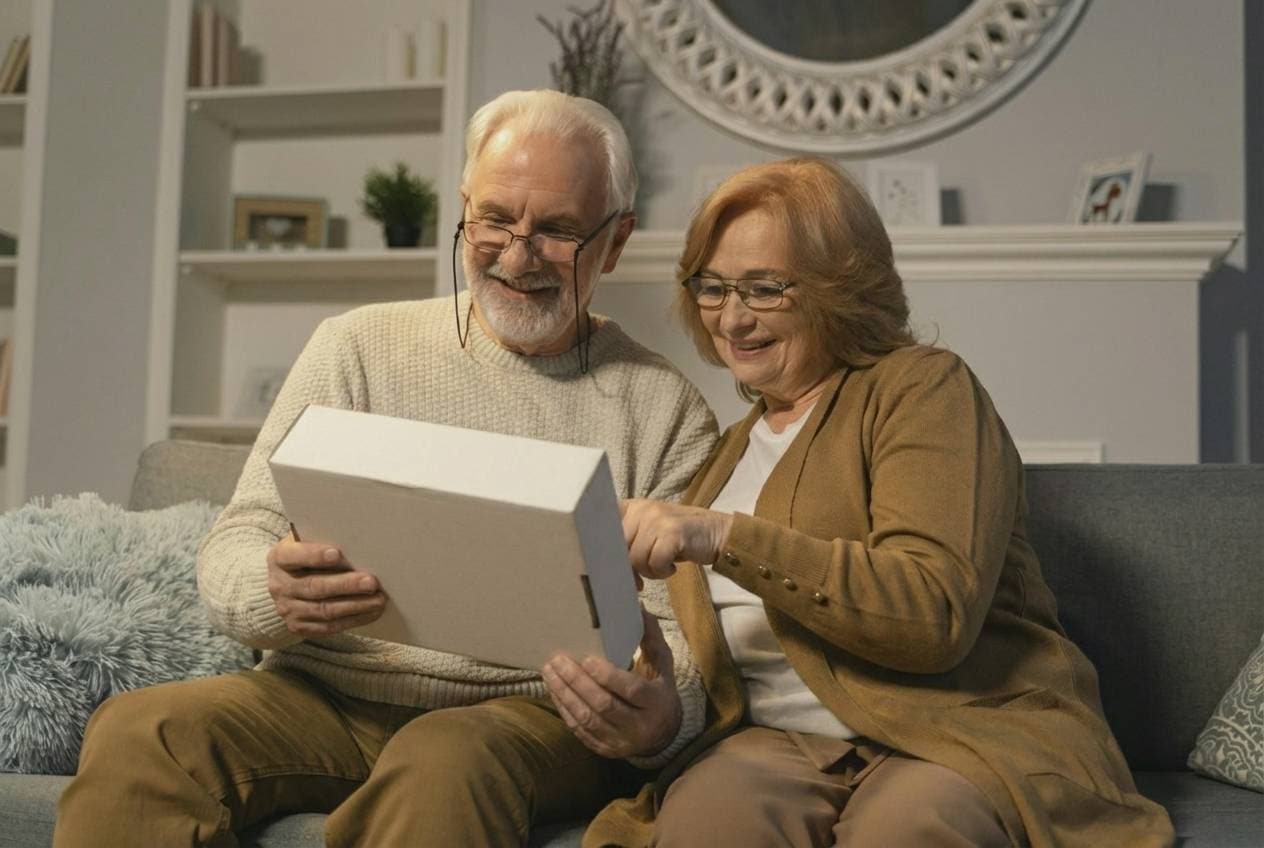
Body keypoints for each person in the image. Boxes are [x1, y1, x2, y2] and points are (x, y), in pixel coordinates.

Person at [53, 89, 718, 848]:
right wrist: (273, 589)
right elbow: (239, 539)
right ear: (463, 206)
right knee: (146, 729)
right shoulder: (356, 347)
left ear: (617, 239)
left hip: (530, 719)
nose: (516, 253)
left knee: (444, 757)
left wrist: (661, 717)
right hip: (324, 695)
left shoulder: (666, 411)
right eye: (494, 219)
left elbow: (689, 650)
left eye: (557, 231)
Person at [543, 158, 1176, 847]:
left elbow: (933, 612)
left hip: (958, 731)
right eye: (713, 286)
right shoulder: (724, 454)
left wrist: (724, 536)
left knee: (903, 831)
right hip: (772, 744)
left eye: (764, 289)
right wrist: (657, 712)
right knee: (705, 825)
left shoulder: (924, 390)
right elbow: (714, 672)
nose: (732, 317)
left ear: (838, 287)